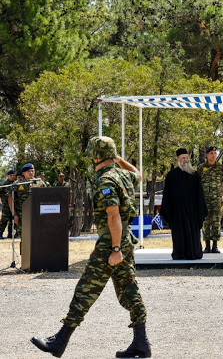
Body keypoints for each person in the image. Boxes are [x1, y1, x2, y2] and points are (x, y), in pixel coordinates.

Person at [31, 136, 150, 358]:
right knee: (129, 290)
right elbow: (139, 175)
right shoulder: (123, 175)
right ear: (111, 155)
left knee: (86, 290)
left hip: (111, 243)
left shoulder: (105, 180)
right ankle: (141, 343)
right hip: (125, 240)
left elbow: (113, 215)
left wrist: (114, 250)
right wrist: (118, 158)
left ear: (96, 156)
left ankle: (59, 342)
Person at [161, 148, 208, 260]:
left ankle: (195, 253)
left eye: (187, 158)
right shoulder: (171, 175)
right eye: (183, 158)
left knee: (194, 234)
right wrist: (168, 211)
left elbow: (200, 194)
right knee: (179, 235)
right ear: (178, 159)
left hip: (193, 211)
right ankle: (179, 254)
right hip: (177, 212)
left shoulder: (195, 175)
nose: (185, 160)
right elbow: (166, 194)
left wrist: (201, 210)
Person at [197, 146, 223, 253]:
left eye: (215, 153)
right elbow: (197, 184)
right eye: (211, 153)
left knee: (216, 222)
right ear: (207, 155)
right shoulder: (201, 168)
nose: (213, 155)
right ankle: (207, 245)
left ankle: (215, 246)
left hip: (217, 200)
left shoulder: (221, 168)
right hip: (204, 200)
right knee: (206, 223)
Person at [10, 163, 46, 238]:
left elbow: (46, 197)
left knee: (38, 237)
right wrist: (15, 215)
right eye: (28, 171)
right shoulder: (17, 184)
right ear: (23, 173)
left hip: (37, 215)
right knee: (25, 237)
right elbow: (10, 199)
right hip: (22, 215)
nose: (31, 173)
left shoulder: (40, 183)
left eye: (32, 171)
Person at [0, 169, 16, 239]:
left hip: (14, 205)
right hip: (6, 205)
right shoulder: (4, 185)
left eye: (13, 175)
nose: (12, 177)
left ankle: (10, 234)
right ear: (8, 176)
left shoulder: (16, 184)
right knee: (4, 220)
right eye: (10, 175)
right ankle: (0, 233)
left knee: (12, 220)